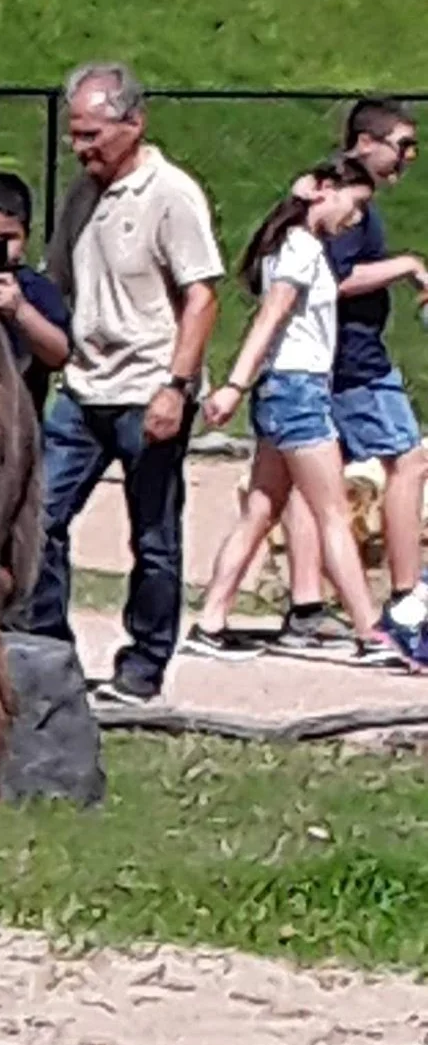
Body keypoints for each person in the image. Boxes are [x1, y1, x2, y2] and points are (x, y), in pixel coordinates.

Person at [13, 62, 223, 705]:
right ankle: (51, 651)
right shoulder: (82, 194)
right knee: (40, 518)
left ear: (134, 123)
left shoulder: (171, 194)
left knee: (153, 535)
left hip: (148, 389)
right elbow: (57, 285)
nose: (81, 149)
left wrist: (175, 385)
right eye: (74, 135)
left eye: (92, 135)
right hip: (84, 388)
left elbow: (202, 296)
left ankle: (144, 665)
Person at [181, 154, 407, 666]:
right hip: (297, 392)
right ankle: (372, 635)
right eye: (355, 205)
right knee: (332, 514)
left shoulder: (293, 245)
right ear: (326, 190)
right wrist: (235, 386)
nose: (356, 219)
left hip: (289, 392)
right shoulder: (301, 248)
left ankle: (210, 620)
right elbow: (270, 318)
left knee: (261, 509)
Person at [273, 97, 428, 662]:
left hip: (324, 362)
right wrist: (408, 266)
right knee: (407, 459)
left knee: (311, 485)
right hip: (352, 362)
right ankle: (408, 598)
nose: (408, 158)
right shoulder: (345, 205)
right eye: (401, 145)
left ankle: (307, 605)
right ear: (366, 143)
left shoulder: (332, 196)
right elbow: (331, 281)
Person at [0, 170, 70, 415]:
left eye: (8, 238)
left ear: (25, 239)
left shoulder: (35, 289)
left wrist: (20, 312)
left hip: (16, 424)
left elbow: (60, 355)